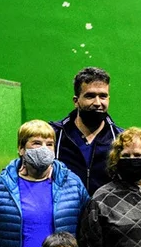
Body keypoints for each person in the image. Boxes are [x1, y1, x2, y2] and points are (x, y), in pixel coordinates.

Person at [51, 66, 124, 194]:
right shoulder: (54, 135)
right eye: (90, 96)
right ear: (76, 101)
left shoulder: (120, 139)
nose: (97, 103)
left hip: (106, 207)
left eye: (103, 96)